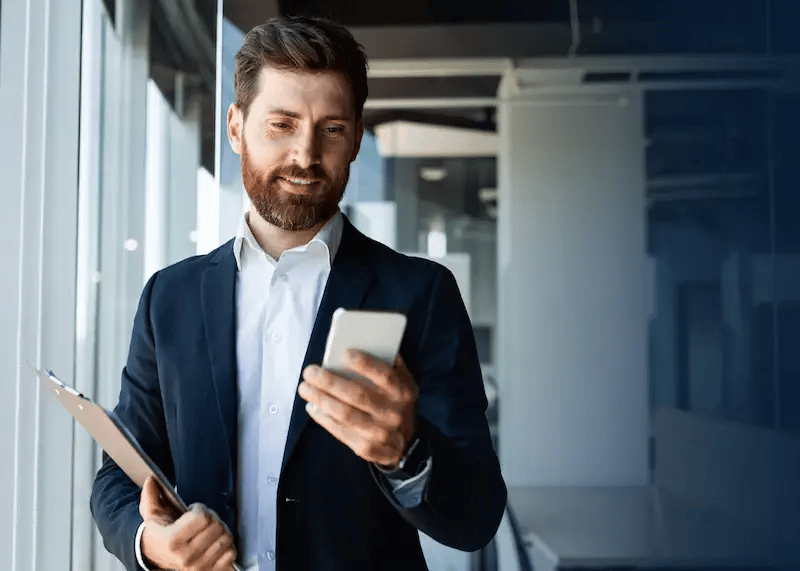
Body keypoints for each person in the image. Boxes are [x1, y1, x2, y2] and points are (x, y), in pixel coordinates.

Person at [91, 15, 506, 571]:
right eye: (281, 125)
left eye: (331, 129)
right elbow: (120, 472)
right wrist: (150, 542)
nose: (306, 156)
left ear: (356, 138)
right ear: (236, 127)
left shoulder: (422, 294)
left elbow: (476, 515)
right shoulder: (170, 296)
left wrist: (405, 455)